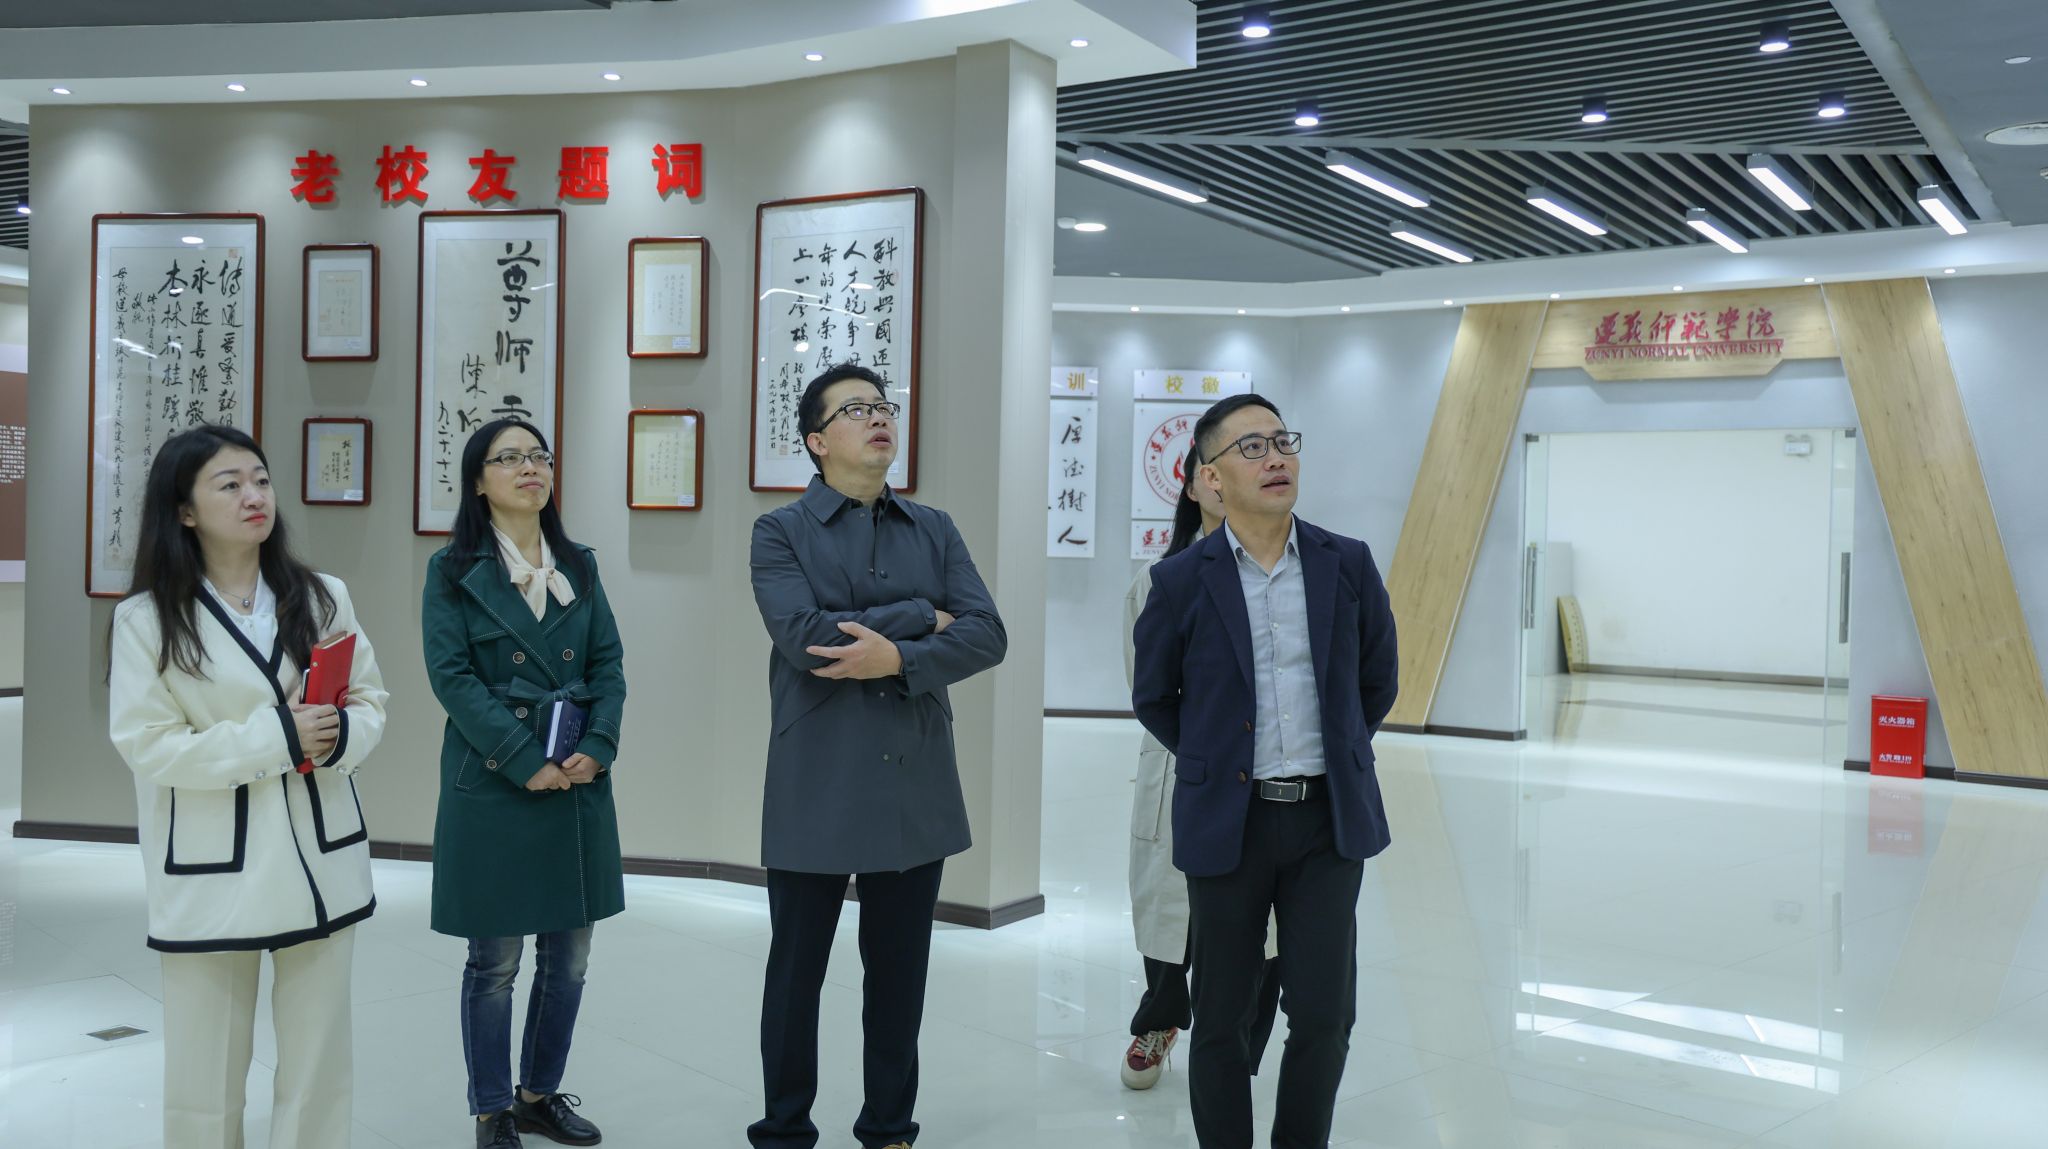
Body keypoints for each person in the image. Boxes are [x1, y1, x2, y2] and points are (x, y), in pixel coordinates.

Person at [747, 363, 1008, 1149]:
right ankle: (784, 1128)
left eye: (883, 405)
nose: (878, 417)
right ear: (817, 440)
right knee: (796, 974)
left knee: (899, 975)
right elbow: (806, 638)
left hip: (911, 775)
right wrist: (923, 615)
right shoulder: (779, 531)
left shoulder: (935, 527)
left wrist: (895, 656)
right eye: (856, 409)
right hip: (817, 778)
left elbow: (987, 633)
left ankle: (890, 1126)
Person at [107, 425, 389, 1149]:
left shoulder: (322, 596)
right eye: (229, 485)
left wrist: (338, 735)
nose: (253, 495)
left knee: (320, 1062)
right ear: (185, 511)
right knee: (203, 1069)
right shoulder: (145, 619)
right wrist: (278, 737)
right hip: (214, 869)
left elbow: (369, 700)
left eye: (260, 479)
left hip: (320, 859)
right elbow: (148, 744)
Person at [1131, 394, 1399, 1149]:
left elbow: (1377, 680)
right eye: (1250, 447)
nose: (1275, 457)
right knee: (1221, 1018)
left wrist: (1335, 750)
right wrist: (1217, 763)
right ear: (1211, 477)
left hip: (1326, 821)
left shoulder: (1346, 562)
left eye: (1282, 442)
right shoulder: (1180, 580)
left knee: (1324, 1014)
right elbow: (1154, 697)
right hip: (1229, 824)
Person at [422, 419, 628, 1149]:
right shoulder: (452, 570)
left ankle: (538, 1096)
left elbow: (608, 665)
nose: (530, 467)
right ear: (479, 481)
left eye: (539, 455)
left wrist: (596, 746)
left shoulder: (580, 564)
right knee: (495, 964)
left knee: (568, 960)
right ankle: (491, 1110)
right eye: (509, 457)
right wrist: (522, 757)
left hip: (575, 782)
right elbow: (452, 679)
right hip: (495, 782)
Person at [1119, 452, 1281, 1090]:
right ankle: (1160, 1019)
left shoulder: (1286, 576)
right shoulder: (1157, 580)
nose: (1221, 482)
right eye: (1209, 471)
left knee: (1259, 923)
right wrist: (1202, 753)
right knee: (1167, 910)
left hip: (1266, 774)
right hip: (1181, 763)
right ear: (1192, 487)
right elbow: (1145, 687)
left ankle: (1239, 1042)